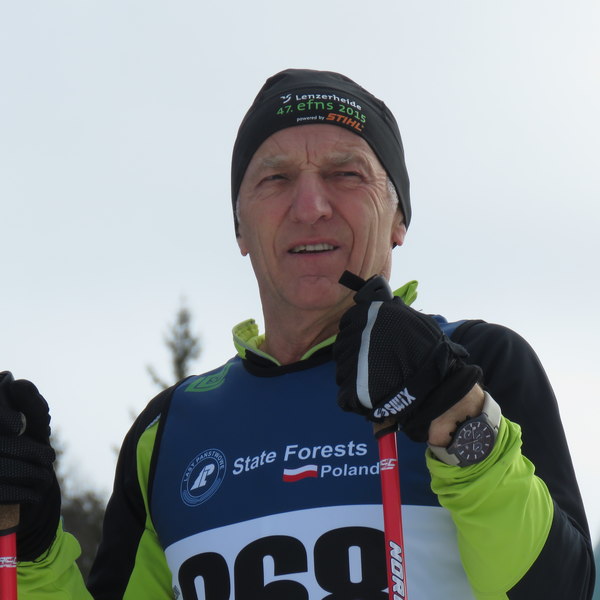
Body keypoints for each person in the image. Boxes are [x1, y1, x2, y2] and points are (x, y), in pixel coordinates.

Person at [0, 68, 595, 599]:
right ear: (240, 229)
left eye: (346, 173)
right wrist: (27, 554)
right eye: (276, 178)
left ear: (399, 219)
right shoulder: (170, 430)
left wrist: (463, 425)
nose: (310, 206)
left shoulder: (482, 361)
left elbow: (560, 590)